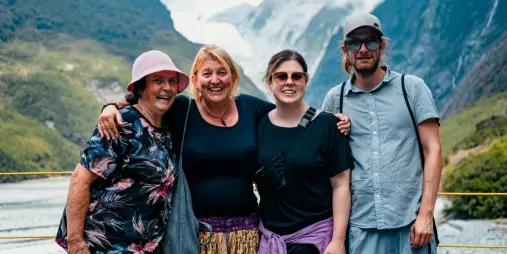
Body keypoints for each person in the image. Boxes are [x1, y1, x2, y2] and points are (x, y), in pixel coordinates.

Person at [98, 44, 351, 254]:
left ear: (233, 77)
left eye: (222, 72)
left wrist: (333, 120)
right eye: (207, 73)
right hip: (196, 234)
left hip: (249, 235)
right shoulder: (182, 110)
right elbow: (145, 105)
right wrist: (111, 107)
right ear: (195, 80)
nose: (215, 80)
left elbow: (289, 109)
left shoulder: (252, 109)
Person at [321, 13, 443, 254]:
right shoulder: (335, 99)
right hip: (360, 229)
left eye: (371, 41)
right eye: (355, 42)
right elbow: (324, 160)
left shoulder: (412, 88)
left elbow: (434, 151)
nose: (364, 49)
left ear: (382, 45)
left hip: (412, 227)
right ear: (345, 49)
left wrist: (426, 215)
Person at [55, 50, 190, 254]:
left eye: (172, 81)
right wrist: (75, 243)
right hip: (104, 247)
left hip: (143, 248)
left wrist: (111, 104)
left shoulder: (165, 128)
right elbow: (79, 179)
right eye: (158, 80)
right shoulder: (121, 124)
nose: (167, 88)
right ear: (141, 87)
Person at [255, 50, 354, 254]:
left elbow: (341, 185)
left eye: (296, 76)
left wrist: (338, 241)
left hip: (315, 241)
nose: (289, 82)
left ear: (306, 81)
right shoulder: (258, 125)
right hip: (269, 240)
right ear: (270, 83)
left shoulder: (328, 125)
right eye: (281, 76)